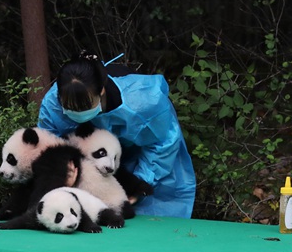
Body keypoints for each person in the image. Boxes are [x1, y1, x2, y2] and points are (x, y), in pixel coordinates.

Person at [38, 52, 197, 219]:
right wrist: (62, 174)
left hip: (143, 155)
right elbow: (49, 148)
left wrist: (138, 184)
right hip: (89, 164)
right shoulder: (53, 104)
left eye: (85, 105)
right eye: (70, 107)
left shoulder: (141, 102)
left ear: (101, 91)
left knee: (150, 213)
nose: (77, 112)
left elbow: (163, 143)